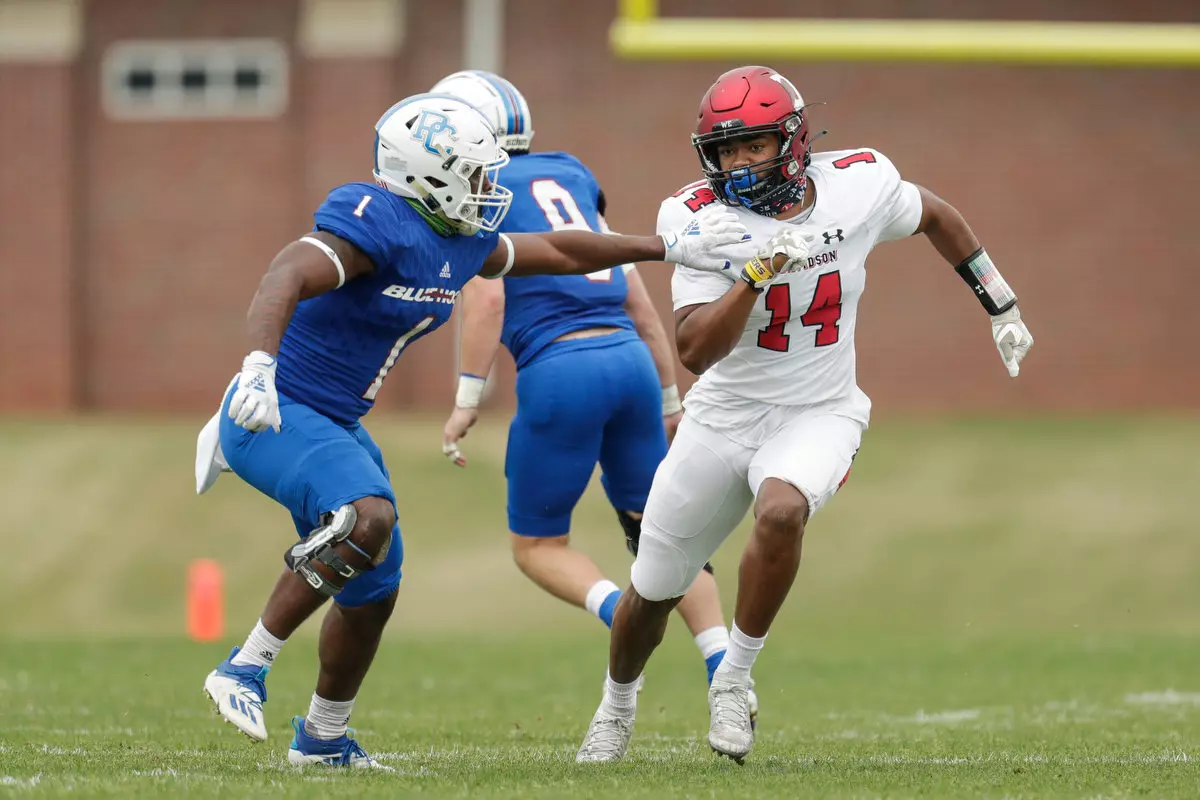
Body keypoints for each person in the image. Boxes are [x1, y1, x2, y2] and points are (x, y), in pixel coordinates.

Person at [190, 91, 747, 768]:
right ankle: (244, 668)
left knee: (374, 587)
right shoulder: (375, 220)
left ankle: (323, 740)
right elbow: (286, 273)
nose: (488, 188)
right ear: (426, 176)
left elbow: (561, 250)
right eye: (475, 174)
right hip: (276, 409)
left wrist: (667, 246)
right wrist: (255, 367)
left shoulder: (458, 239)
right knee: (367, 517)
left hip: (332, 419)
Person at [575, 65, 1035, 764]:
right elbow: (696, 349)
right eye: (724, 151)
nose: (736, 164)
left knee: (782, 509)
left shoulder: (858, 184)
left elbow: (937, 215)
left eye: (751, 147)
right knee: (654, 588)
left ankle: (733, 679)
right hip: (723, 415)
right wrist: (755, 275)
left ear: (789, 142)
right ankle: (616, 706)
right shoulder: (700, 218)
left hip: (819, 408)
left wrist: (999, 301)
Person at [432, 71, 752, 696]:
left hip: (561, 369)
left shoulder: (476, 191)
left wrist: (467, 397)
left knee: (537, 545)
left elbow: (487, 297)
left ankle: (622, 616)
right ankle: (723, 664)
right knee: (660, 534)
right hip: (630, 360)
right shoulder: (571, 174)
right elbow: (632, 288)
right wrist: (666, 396)